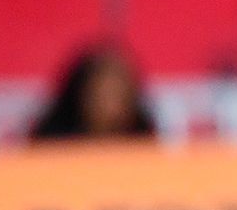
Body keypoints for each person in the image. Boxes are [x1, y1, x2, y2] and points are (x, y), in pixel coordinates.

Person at [29, 44, 157, 142]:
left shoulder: (145, 143)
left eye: (120, 96)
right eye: (103, 96)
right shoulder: (50, 145)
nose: (111, 106)